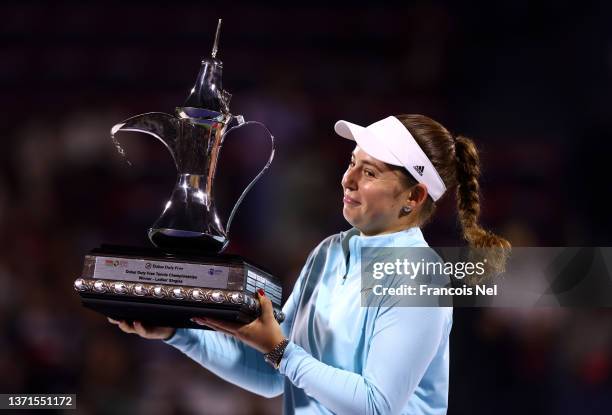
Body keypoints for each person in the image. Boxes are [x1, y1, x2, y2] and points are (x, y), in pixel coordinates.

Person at [109, 114, 510, 414]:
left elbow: (376, 405)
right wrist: (178, 334)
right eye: (352, 162)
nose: (347, 179)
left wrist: (281, 351)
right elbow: (271, 375)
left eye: (368, 172)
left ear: (414, 197)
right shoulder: (329, 252)